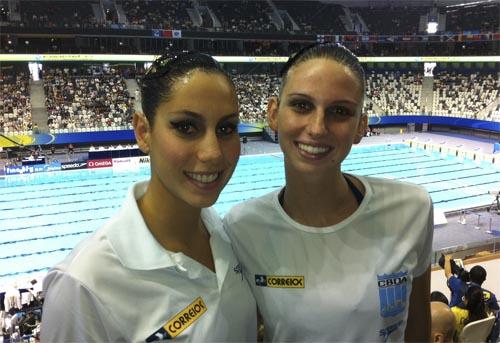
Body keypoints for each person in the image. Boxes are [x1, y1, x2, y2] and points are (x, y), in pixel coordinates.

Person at [224, 43, 434, 342]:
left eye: (340, 111)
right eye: (301, 105)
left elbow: (417, 325)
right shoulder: (241, 227)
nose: (318, 128)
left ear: (361, 126)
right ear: (273, 113)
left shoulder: (411, 208)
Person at [41, 51, 257, 342]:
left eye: (226, 128)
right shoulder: (83, 286)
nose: (213, 153)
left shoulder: (227, 236)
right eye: (186, 127)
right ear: (143, 131)